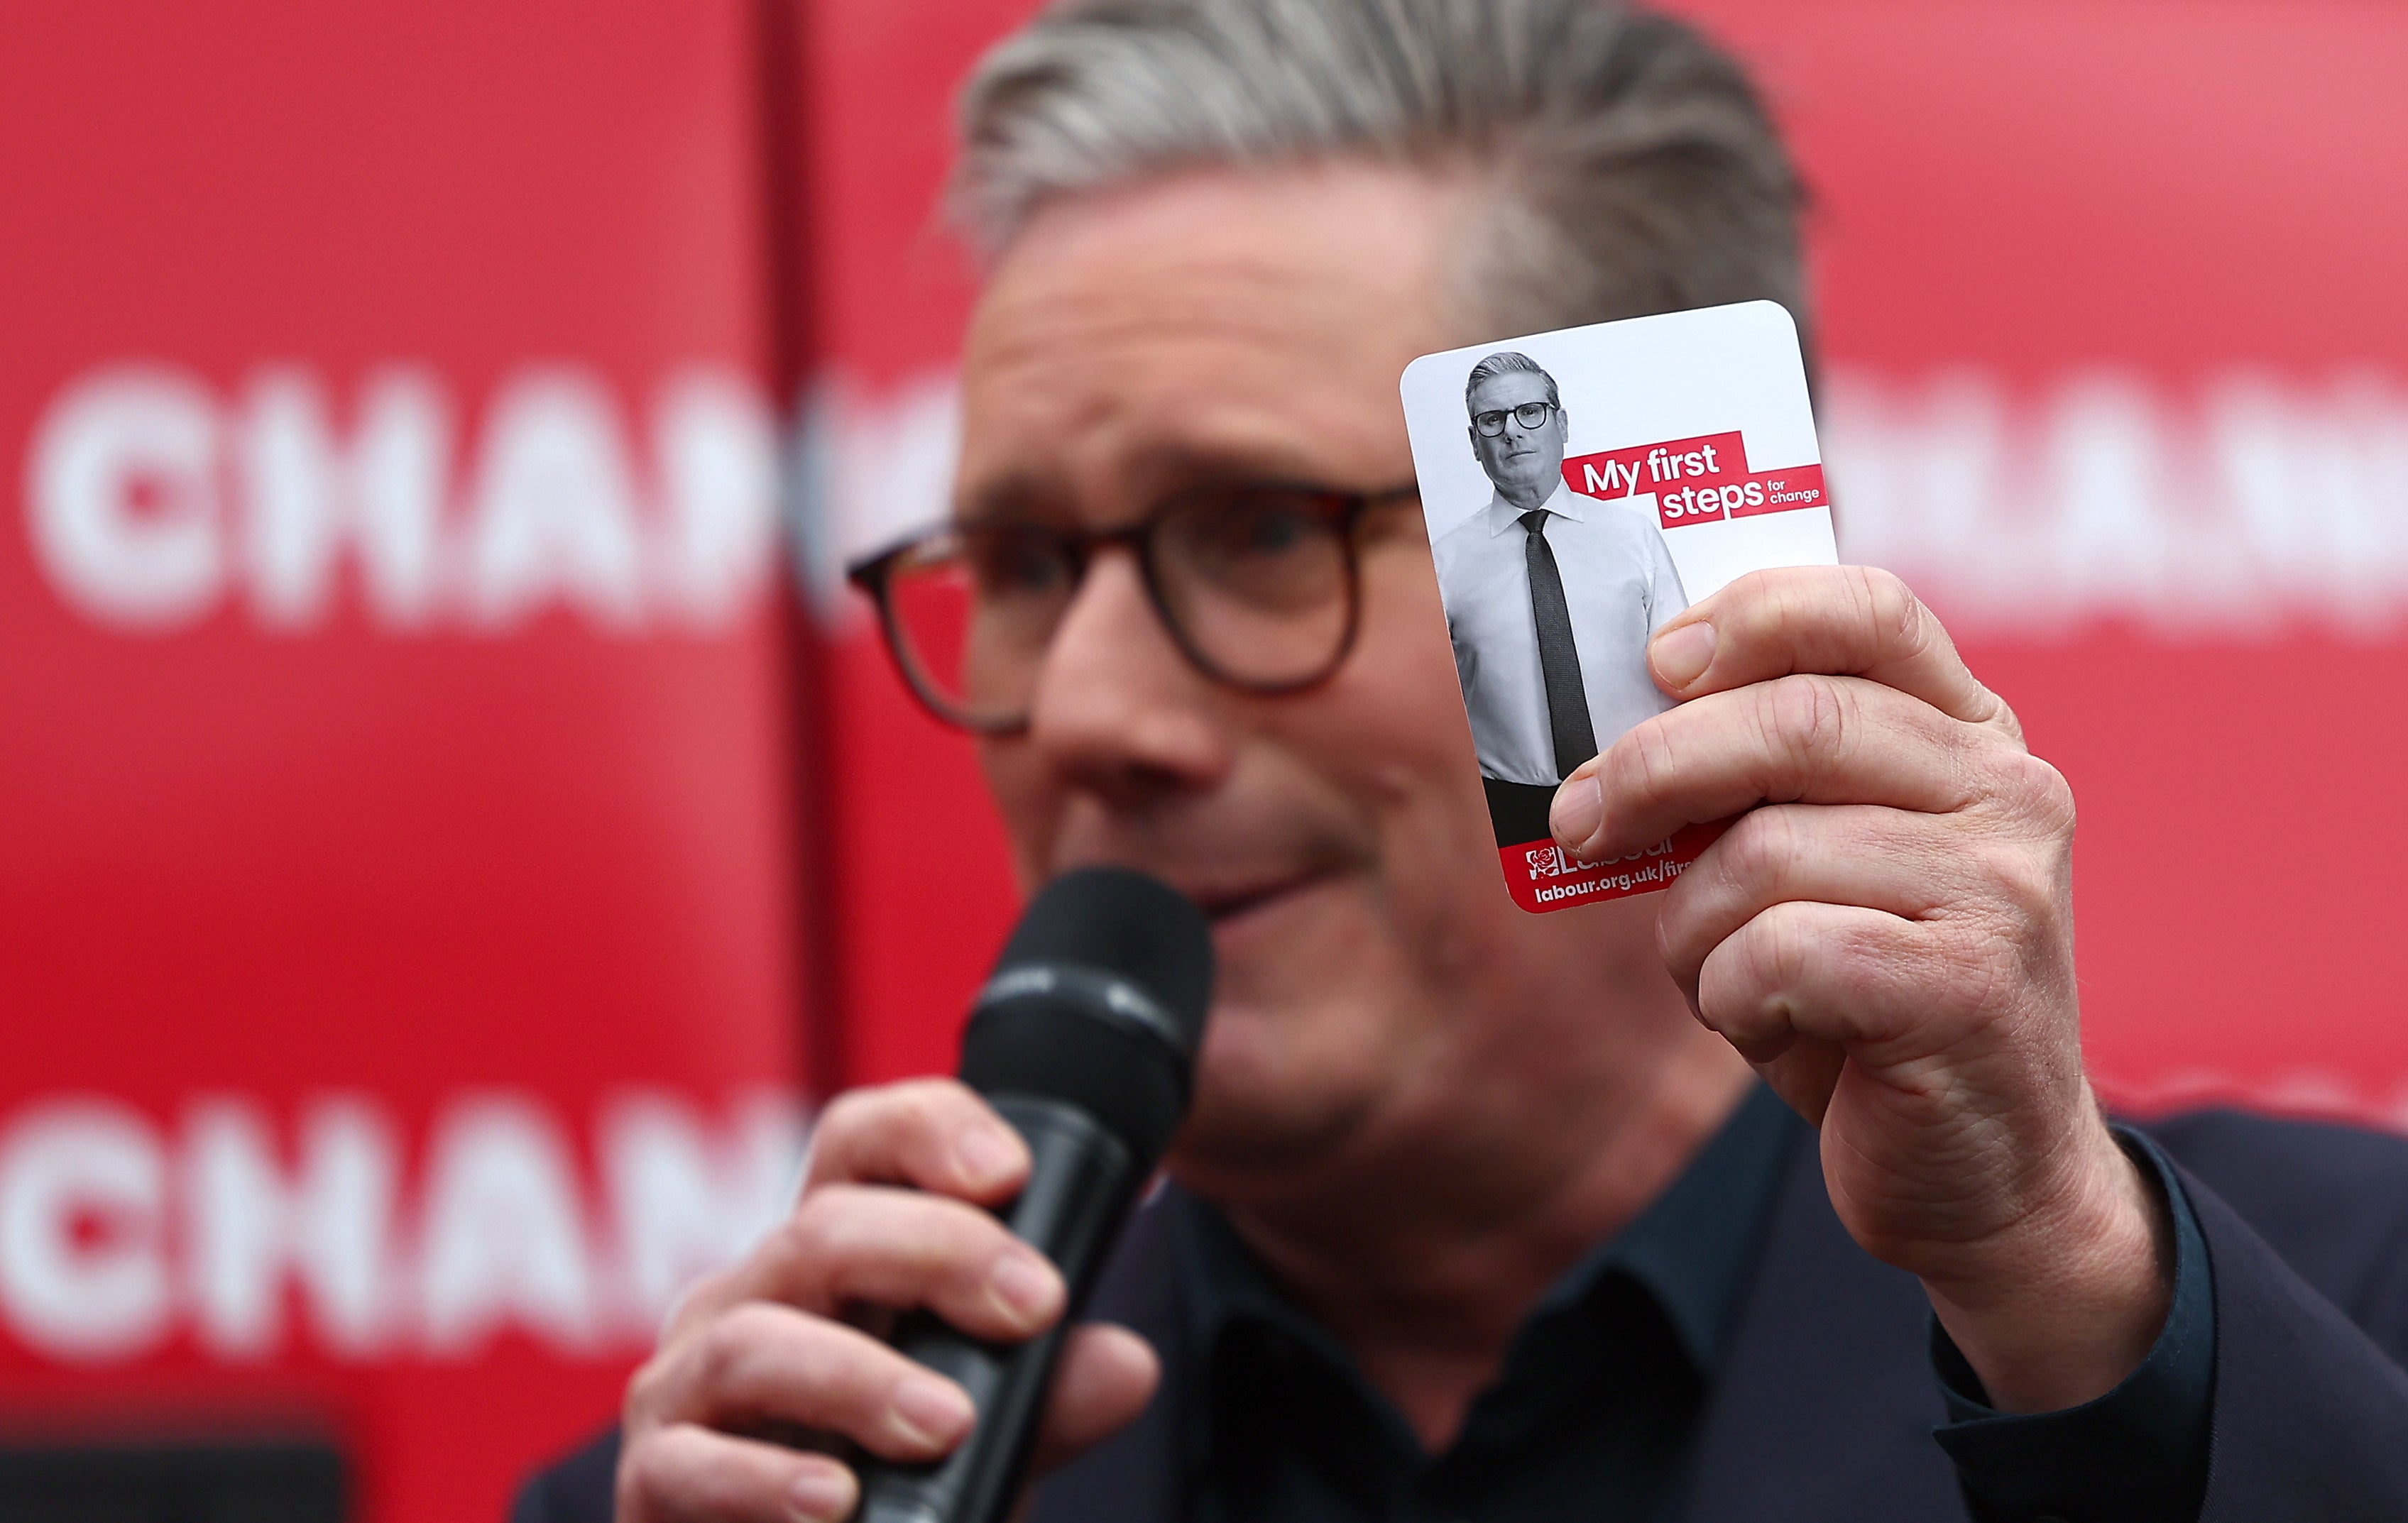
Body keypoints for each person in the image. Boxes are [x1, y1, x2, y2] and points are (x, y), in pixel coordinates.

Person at [518, 4, 2408, 1521]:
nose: (1089, 714)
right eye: (1019, 565)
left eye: (1256, 530)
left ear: (1712, 593)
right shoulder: (777, 1477)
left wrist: (2072, 1309)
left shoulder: (2304, 1321)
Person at [1433, 350, 1687, 837]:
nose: (1512, 431)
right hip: (1507, 813)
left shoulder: (1634, 536)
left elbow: (1682, 679)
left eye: (1530, 412)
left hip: (1644, 787)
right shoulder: (1441, 564)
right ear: (1474, 442)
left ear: (1562, 424)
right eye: (1491, 420)